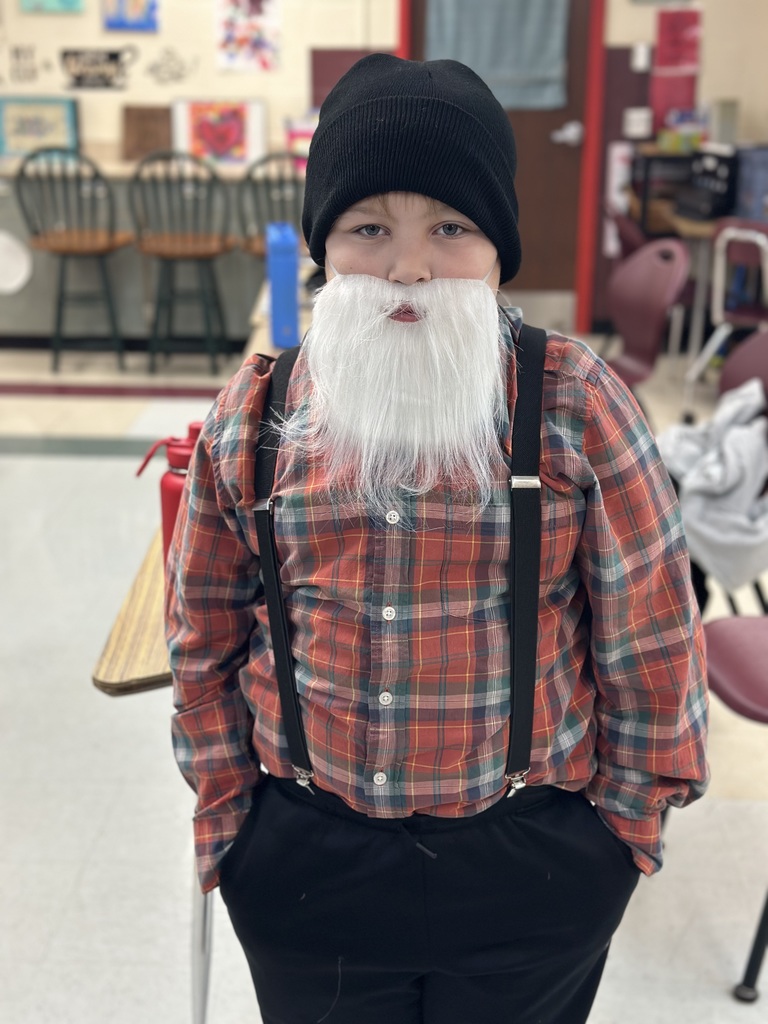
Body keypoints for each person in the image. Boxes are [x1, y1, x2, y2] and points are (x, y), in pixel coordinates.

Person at [166, 54, 709, 1024]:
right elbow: (203, 633)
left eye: (450, 229)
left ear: (500, 248)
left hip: (531, 863)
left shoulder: (576, 402)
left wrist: (620, 838)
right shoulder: (256, 412)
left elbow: (655, 641)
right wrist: (229, 820)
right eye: (370, 228)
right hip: (305, 865)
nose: (409, 267)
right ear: (324, 245)